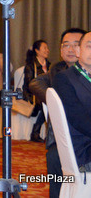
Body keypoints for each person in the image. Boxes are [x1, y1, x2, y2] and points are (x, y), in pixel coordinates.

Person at [29, 28, 86, 198]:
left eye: (76, 45)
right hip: (64, 137)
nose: (70, 49)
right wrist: (57, 101)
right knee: (54, 157)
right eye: (66, 45)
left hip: (85, 135)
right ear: (61, 50)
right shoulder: (57, 71)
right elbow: (34, 83)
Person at [52, 31, 91, 174]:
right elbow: (78, 118)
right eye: (89, 46)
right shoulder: (64, 79)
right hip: (84, 148)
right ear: (78, 51)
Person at [22, 39, 51, 142]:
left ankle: (40, 133)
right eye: (44, 48)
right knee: (48, 105)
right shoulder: (31, 66)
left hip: (46, 95)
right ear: (37, 51)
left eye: (47, 48)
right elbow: (30, 84)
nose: (47, 50)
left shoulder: (50, 66)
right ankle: (36, 132)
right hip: (33, 96)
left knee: (50, 103)